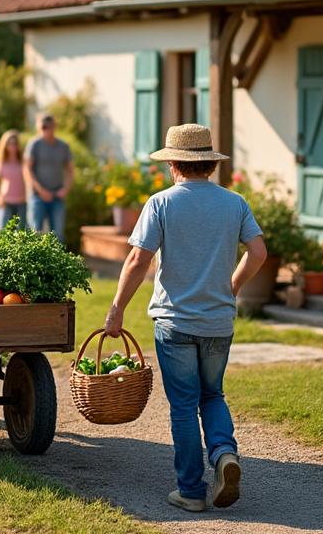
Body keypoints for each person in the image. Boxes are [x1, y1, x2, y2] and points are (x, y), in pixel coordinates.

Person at [102, 124, 266, 513]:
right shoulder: (234, 202)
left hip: (175, 323)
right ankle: (224, 454)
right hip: (217, 323)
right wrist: (233, 286)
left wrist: (117, 308)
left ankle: (191, 491)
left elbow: (138, 259)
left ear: (174, 164)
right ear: (208, 164)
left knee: (183, 406)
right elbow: (258, 251)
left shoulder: (161, 204)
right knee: (213, 394)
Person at [24, 112, 74, 241]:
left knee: (58, 236)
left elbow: (70, 171)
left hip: (57, 196)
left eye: (49, 126)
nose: (46, 130)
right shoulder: (34, 144)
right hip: (37, 196)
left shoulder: (63, 146)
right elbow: (27, 169)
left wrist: (66, 189)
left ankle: (58, 262)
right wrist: (41, 190)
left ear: (54, 126)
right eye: (43, 127)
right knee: (34, 235)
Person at [0, 129, 28, 229]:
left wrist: (27, 196)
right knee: (2, 233)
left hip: (22, 203)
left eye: (15, 143)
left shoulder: (24, 162)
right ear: (5, 145)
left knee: (21, 234)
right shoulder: (1, 163)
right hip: (6, 203)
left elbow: (29, 181)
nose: (12, 146)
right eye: (9, 143)